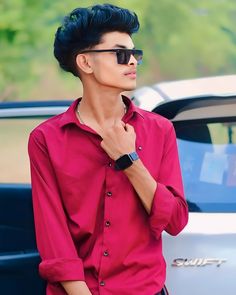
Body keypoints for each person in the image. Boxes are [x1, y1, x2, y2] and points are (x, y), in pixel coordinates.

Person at [28, 4, 188, 295]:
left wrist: (129, 159)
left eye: (135, 54)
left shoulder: (159, 130)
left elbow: (175, 220)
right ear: (86, 63)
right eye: (121, 54)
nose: (133, 62)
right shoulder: (46, 139)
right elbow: (54, 237)